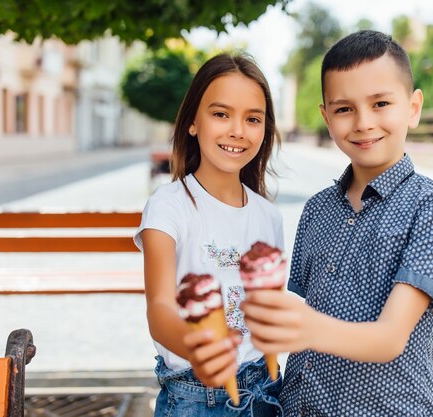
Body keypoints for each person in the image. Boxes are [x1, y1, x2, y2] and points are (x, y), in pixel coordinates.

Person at [242, 30, 433, 416]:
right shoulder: (317, 210)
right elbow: (301, 315)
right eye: (345, 109)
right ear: (326, 117)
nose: (364, 123)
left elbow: (389, 339)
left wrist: (302, 324)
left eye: (381, 103)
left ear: (413, 108)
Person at [134, 52, 284, 417]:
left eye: (252, 119)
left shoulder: (269, 216)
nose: (237, 130)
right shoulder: (169, 206)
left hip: (266, 388)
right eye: (221, 114)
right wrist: (200, 347)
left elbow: (270, 310)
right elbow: (160, 306)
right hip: (197, 396)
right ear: (192, 123)